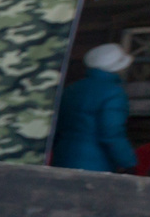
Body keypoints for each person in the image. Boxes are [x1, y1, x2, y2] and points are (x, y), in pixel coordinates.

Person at [53, 42, 138, 173]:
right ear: (118, 68)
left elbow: (57, 126)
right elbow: (111, 134)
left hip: (62, 157)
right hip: (96, 163)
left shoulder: (71, 89)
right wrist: (128, 162)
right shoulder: (114, 93)